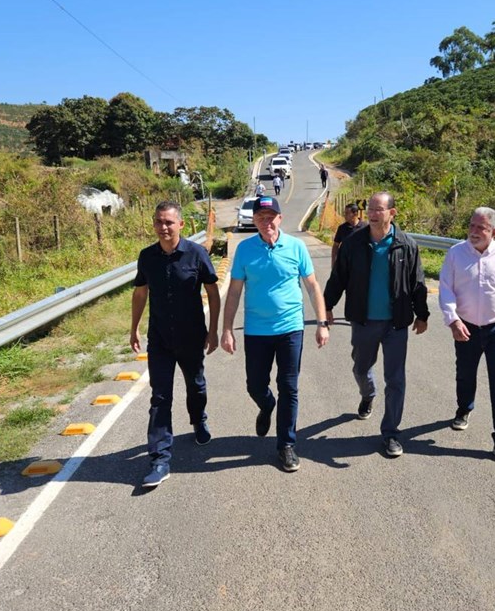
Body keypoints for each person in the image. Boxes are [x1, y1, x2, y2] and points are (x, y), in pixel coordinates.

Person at [221, 196, 329, 472]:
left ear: (280, 218)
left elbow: (312, 286)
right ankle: (266, 404)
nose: (266, 222)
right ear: (254, 220)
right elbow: (234, 292)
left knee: (289, 386)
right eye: (260, 218)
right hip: (256, 330)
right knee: (255, 385)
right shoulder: (245, 250)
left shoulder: (296, 247)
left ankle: (286, 445)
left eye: (271, 217)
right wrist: (227, 329)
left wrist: (322, 322)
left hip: (290, 328)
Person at [324, 191, 429, 458]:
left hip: (396, 324)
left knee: (395, 379)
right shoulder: (353, 243)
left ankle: (391, 433)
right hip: (363, 321)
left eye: (378, 209)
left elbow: (417, 282)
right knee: (361, 368)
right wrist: (327, 306)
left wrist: (422, 314)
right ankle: (368, 394)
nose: (371, 213)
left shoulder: (406, 245)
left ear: (392, 213)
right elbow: (339, 277)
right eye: (369, 208)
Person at [131, 202, 220, 488]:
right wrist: (133, 328)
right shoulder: (147, 257)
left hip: (191, 336)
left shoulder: (196, 254)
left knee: (196, 386)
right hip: (159, 338)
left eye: (169, 222)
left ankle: (198, 419)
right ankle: (160, 459)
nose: (163, 227)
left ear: (181, 224)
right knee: (160, 397)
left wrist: (213, 331)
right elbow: (140, 293)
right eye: (159, 222)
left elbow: (213, 292)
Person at [438, 207, 495, 463]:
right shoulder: (456, 253)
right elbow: (445, 289)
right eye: (472, 226)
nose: (474, 232)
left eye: (481, 228)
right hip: (465, 327)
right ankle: (464, 409)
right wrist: (453, 319)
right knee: (465, 374)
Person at [331, 202, 366, 267]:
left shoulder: (365, 228)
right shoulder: (342, 228)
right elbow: (335, 245)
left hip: (361, 266)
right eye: (345, 213)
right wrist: (334, 263)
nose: (345, 215)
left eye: (347, 213)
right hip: (345, 265)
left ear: (355, 214)